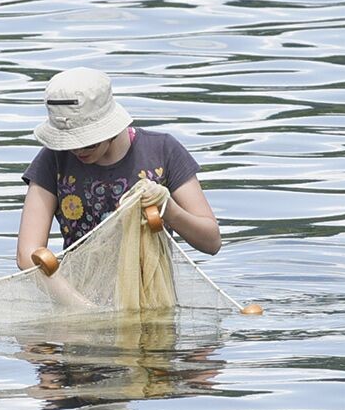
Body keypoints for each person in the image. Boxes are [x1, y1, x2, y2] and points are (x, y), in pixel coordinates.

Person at [16, 67, 221, 271]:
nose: (77, 150)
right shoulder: (53, 159)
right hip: (77, 290)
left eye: (88, 143)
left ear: (110, 129)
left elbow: (211, 242)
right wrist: (80, 303)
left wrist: (169, 209)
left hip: (151, 289)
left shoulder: (163, 151)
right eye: (68, 144)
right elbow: (27, 256)